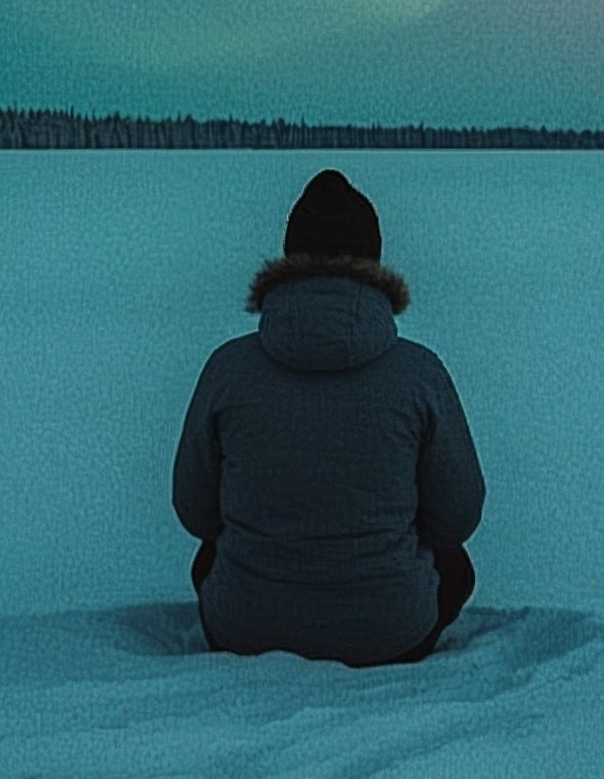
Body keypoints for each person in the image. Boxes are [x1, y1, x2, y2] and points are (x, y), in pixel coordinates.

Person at [171, 172, 485, 665]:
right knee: (456, 567)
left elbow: (195, 511)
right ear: (374, 264)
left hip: (245, 628)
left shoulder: (228, 369)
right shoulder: (419, 374)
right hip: (390, 631)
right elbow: (458, 516)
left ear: (288, 261)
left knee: (210, 557)